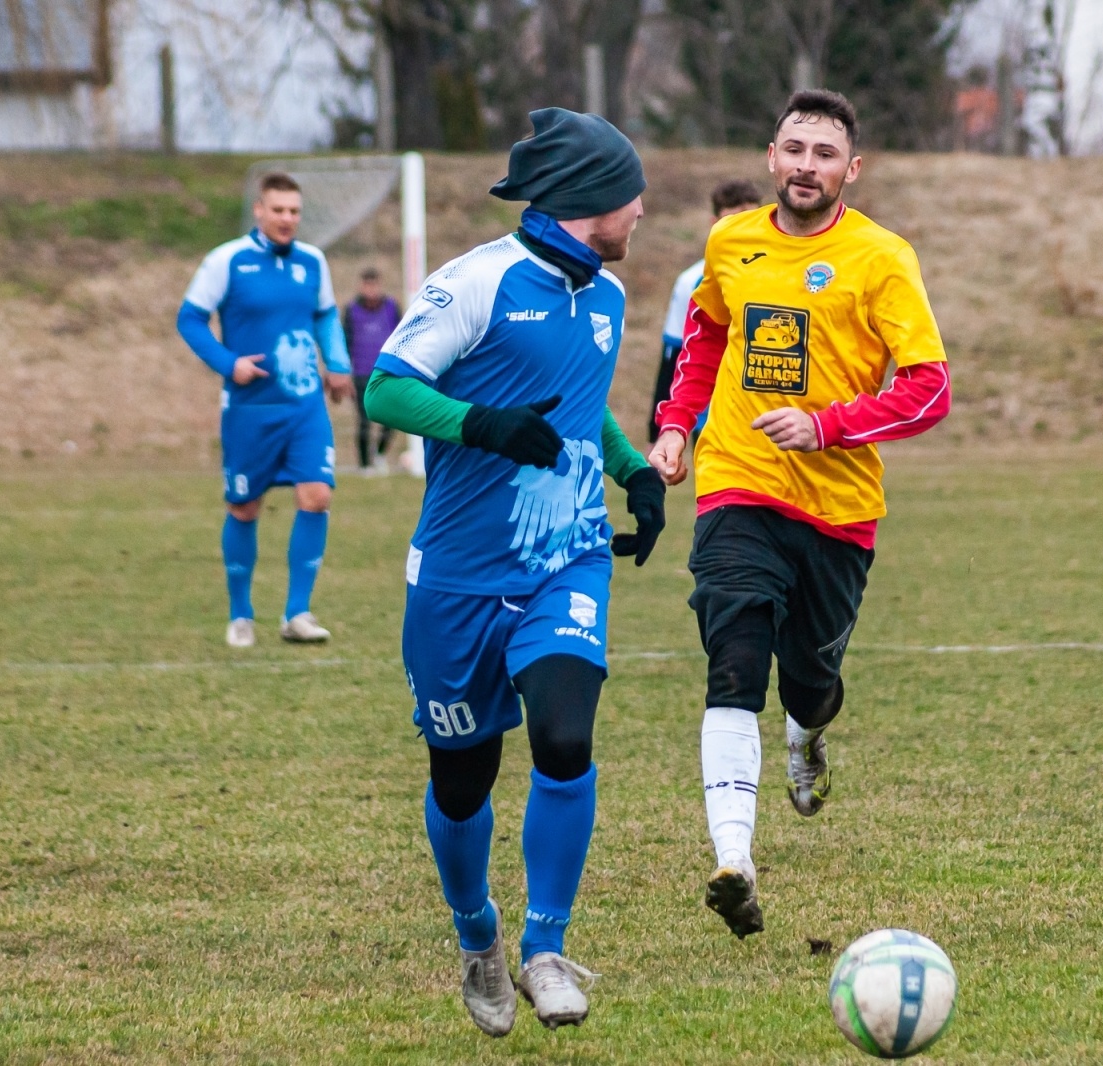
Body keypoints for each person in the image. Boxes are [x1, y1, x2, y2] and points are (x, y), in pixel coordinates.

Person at [363, 109, 666, 1034]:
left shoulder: (606, 298)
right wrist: (482, 424)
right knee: (463, 779)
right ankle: (478, 939)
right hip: (458, 577)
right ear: (587, 201)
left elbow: (583, 406)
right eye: (630, 195)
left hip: (564, 559)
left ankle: (545, 947)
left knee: (565, 738)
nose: (642, 211)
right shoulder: (478, 282)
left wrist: (633, 473)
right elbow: (385, 385)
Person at [648, 89, 952, 939]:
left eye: (824, 154)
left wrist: (829, 425)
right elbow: (706, 336)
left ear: (851, 170)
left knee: (810, 686)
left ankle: (808, 732)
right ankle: (734, 859)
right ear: (770, 156)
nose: (806, 166)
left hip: (839, 510)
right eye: (794, 149)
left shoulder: (882, 257)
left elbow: (929, 389)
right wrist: (677, 427)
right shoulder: (730, 240)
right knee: (733, 657)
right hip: (739, 483)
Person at [176, 172, 353, 648]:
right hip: (250, 410)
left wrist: (337, 364)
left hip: (304, 406)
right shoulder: (227, 261)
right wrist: (227, 363)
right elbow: (189, 319)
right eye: (278, 210)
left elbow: (325, 315)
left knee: (317, 495)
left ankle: (298, 613)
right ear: (259, 210)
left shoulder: (313, 261)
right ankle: (241, 614)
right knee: (245, 507)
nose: (287, 219)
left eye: (294, 211)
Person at [647, 179, 763, 441]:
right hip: (709, 417)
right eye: (734, 219)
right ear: (715, 223)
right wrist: (659, 428)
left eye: (751, 218)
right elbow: (675, 353)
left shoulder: (783, 273)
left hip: (763, 414)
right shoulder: (693, 281)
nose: (744, 229)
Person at [342, 266, 401, 472]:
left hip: (386, 372)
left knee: (392, 417)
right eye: (367, 284)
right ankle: (365, 465)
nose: (370, 289)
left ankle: (381, 455)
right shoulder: (352, 310)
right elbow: (346, 342)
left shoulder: (391, 307)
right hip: (360, 373)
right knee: (364, 419)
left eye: (373, 284)